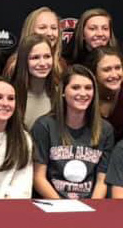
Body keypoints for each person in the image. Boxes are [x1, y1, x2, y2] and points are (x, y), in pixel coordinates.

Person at [31, 65, 114, 199]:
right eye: (75, 88)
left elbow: (101, 181)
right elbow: (38, 177)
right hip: (53, 203)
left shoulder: (105, 129)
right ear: (63, 92)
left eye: (88, 88)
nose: (83, 93)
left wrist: (93, 207)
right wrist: (63, 206)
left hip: (90, 204)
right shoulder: (44, 126)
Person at [86, 46, 123, 142]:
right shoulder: (85, 92)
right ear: (93, 73)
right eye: (107, 70)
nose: (114, 75)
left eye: (118, 68)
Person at [10, 34, 60, 130]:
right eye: (35, 58)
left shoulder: (60, 95)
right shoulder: (9, 95)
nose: (42, 63)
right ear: (23, 61)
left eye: (47, 56)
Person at [3, 6, 66, 78]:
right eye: (42, 28)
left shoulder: (61, 64)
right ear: (30, 30)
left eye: (54, 28)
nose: (49, 33)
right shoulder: (14, 66)